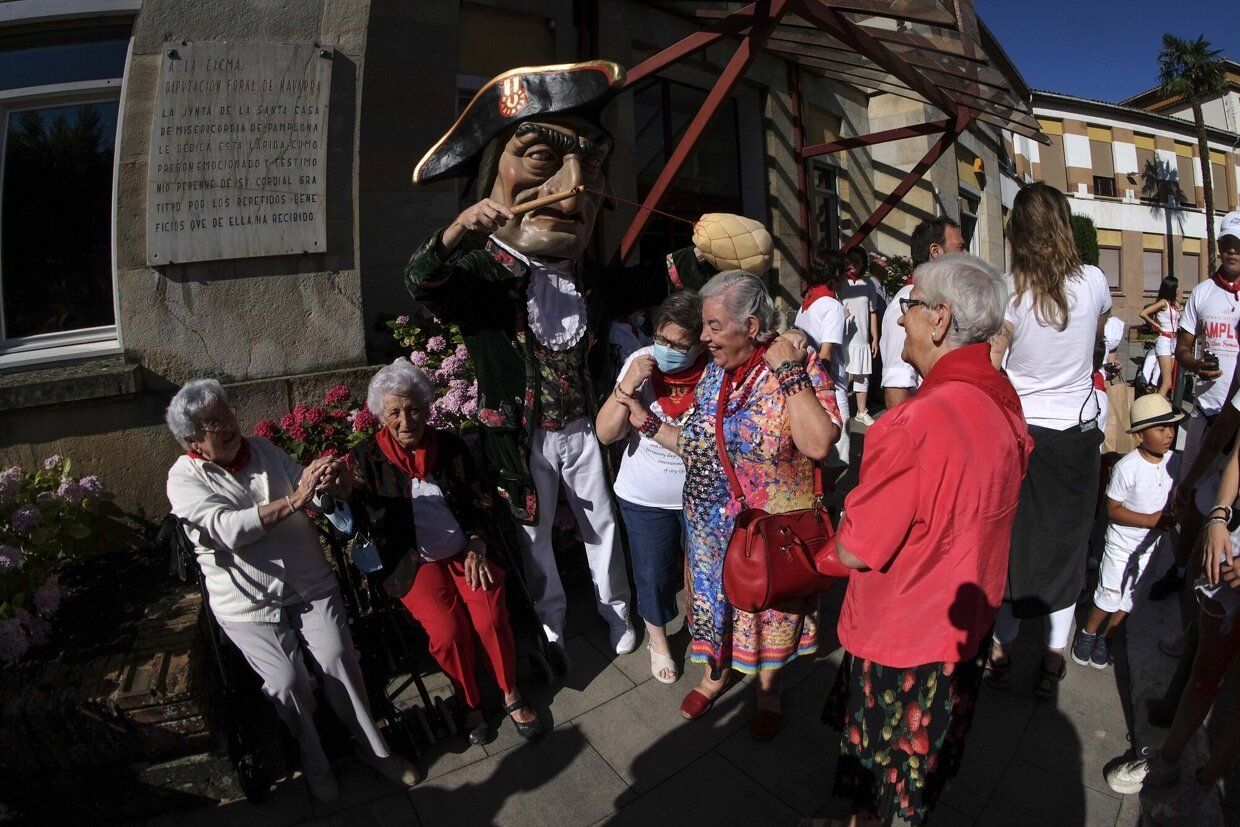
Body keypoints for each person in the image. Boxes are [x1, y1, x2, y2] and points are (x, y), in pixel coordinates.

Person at [404, 61, 772, 666]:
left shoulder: (588, 278)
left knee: (603, 531)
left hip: (585, 431)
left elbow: (649, 281)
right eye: (543, 156)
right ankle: (552, 622)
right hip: (521, 442)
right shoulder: (479, 277)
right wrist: (455, 233)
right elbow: (423, 282)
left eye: (592, 163)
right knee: (536, 539)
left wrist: (702, 253)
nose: (576, 185)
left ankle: (617, 613)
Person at [820, 254, 1030, 827]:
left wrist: (824, 540)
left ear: (939, 320)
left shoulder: (911, 423)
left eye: (907, 308)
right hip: (963, 630)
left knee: (888, 777)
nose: (900, 321)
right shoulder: (1004, 401)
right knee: (921, 774)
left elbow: (858, 549)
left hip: (904, 637)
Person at [164, 379, 421, 804]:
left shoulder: (263, 448)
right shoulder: (184, 478)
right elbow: (228, 529)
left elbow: (309, 493)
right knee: (288, 683)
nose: (229, 424)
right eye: (215, 422)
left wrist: (326, 485)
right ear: (194, 439)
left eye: (228, 413)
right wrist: (297, 498)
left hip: (308, 582)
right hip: (246, 603)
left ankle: (375, 749)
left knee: (339, 658)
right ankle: (313, 756)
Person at [612, 270, 841, 740]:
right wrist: (647, 424)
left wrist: (790, 371)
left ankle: (769, 690)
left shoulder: (798, 366)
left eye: (714, 326)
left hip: (768, 532)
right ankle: (715, 676)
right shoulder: (716, 371)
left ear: (752, 326)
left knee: (767, 609)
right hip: (708, 530)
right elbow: (700, 444)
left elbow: (819, 443)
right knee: (715, 607)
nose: (704, 337)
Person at [348, 359, 543, 747]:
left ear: (427, 407)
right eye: (395, 412)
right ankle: (468, 700)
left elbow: (483, 499)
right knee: (447, 630)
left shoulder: (450, 447)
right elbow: (355, 515)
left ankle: (508, 691)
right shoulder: (365, 459)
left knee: (488, 615)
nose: (406, 421)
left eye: (414, 408)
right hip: (412, 561)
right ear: (380, 416)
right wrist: (335, 495)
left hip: (465, 549)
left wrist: (476, 541)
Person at [987, 182, 1111, 699]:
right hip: (1076, 435)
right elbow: (1098, 338)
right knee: (1067, 542)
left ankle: (1002, 647)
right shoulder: (1095, 281)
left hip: (1022, 434)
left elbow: (994, 361)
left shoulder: (1010, 291)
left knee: (1011, 544)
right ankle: (1054, 656)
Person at [1105, 401, 1240, 824]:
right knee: (1205, 666)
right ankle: (1166, 760)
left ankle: (1203, 785)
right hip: (1233, 548)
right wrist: (1218, 515)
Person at [596, 291, 705, 684]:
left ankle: (704, 632)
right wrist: (626, 387)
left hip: (702, 497)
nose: (667, 350)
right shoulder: (638, 364)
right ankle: (658, 640)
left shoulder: (713, 370)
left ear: (699, 344)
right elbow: (607, 434)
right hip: (644, 497)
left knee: (703, 572)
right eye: (662, 339)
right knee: (653, 574)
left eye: (680, 345)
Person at [1151, 211, 1240, 604]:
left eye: (1238, 243)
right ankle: (1182, 568)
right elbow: (1182, 347)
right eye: (1227, 243)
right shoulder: (1203, 293)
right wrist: (1193, 364)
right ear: (1218, 247)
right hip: (1207, 413)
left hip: (1237, 422)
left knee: (1228, 501)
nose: (1232, 250)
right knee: (1191, 499)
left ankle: (1222, 577)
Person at [1071, 395, 1182, 670]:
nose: (1169, 434)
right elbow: (1113, 510)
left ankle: (1108, 637)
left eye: (1171, 427)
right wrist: (1151, 520)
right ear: (1139, 437)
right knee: (1109, 593)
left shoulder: (1174, 463)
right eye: (1160, 428)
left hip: (1151, 548)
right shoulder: (1127, 467)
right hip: (1121, 545)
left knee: (1132, 596)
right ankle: (1088, 632)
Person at [880, 217, 966, 410]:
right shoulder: (905, 306)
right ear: (935, 251)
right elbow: (897, 389)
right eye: (960, 247)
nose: (966, 254)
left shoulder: (937, 298)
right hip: (927, 421)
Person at [795, 250, 851, 469]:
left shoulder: (806, 303)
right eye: (844, 273)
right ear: (836, 273)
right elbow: (825, 354)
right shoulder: (832, 305)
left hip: (808, 385)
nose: (846, 278)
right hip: (829, 389)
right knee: (836, 461)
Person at [839, 247, 880, 425]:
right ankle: (838, 409)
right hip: (844, 337)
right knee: (844, 374)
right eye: (849, 261)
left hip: (862, 338)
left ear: (863, 263)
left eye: (856, 261)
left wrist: (875, 338)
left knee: (862, 375)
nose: (852, 265)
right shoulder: (840, 283)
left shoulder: (869, 285)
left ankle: (861, 412)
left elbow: (873, 312)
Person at [1139, 276, 1181, 398]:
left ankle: (1159, 404)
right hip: (1165, 340)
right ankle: (1156, 410)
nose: (1179, 288)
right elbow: (1143, 313)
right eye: (1177, 286)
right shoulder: (1163, 303)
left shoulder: (1173, 304)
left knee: (1165, 380)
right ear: (1171, 288)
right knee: (1167, 383)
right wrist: (1157, 325)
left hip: (1173, 341)